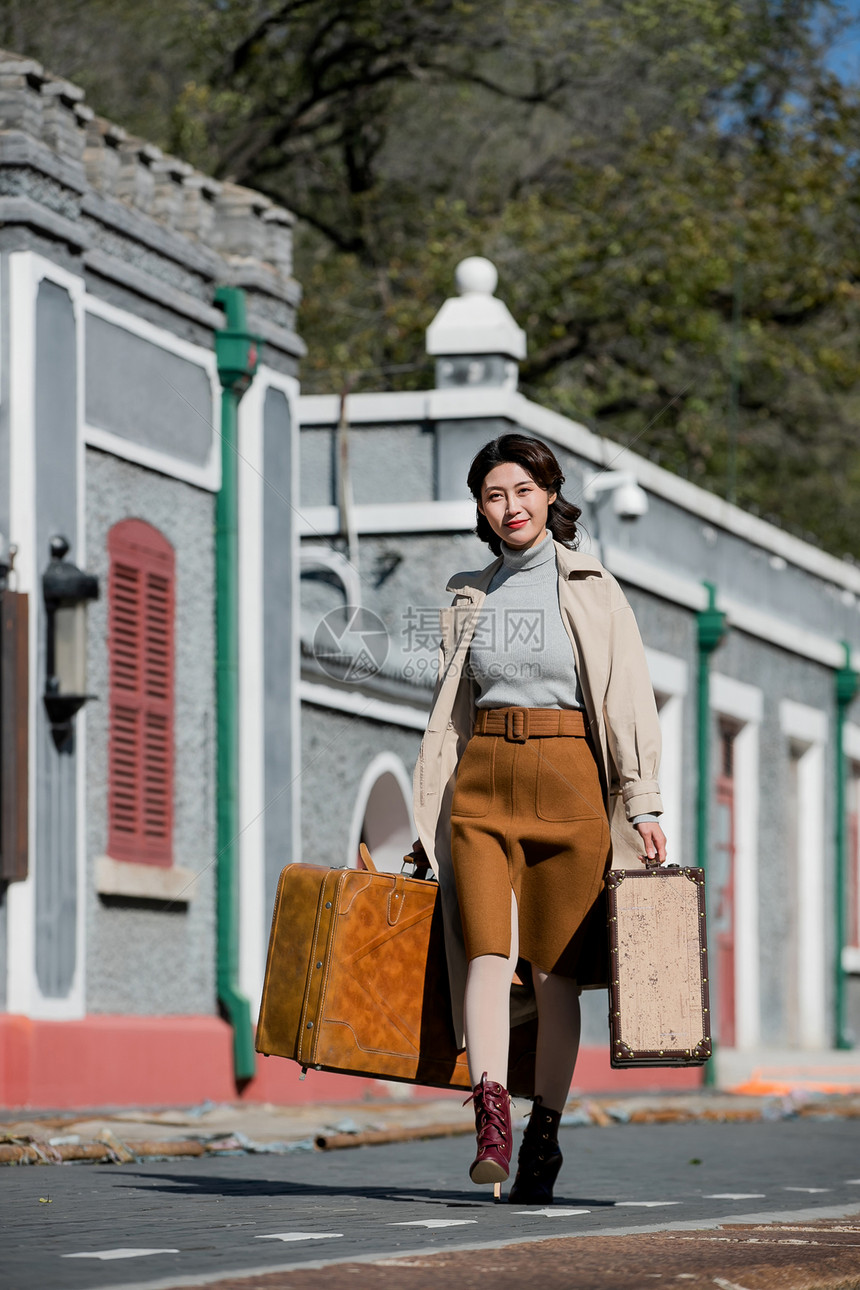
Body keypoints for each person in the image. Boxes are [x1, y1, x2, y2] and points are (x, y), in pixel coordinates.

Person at [410, 432, 666, 1204]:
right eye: (494, 495)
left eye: (523, 490)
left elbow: (626, 700)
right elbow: (449, 716)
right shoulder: (468, 593)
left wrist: (643, 801)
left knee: (555, 978)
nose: (510, 506)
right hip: (483, 784)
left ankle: (544, 1136)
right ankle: (491, 1119)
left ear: (550, 493)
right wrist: (432, 817)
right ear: (482, 509)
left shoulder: (593, 586)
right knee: (485, 953)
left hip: (571, 790)